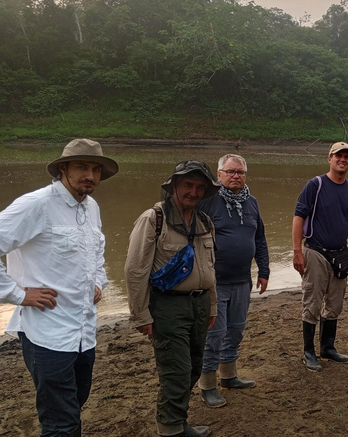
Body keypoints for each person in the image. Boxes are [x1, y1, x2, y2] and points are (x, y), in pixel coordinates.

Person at [0, 139, 118, 437]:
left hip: (83, 332)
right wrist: (18, 294)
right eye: (81, 167)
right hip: (47, 336)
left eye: (95, 169)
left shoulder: (91, 208)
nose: (90, 175)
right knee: (61, 423)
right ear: (62, 169)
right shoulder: (37, 204)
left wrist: (98, 282)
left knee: (74, 405)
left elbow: (97, 255)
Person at [124, 161, 220, 437]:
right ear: (174, 186)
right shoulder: (153, 219)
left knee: (194, 366)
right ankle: (170, 429)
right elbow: (135, 270)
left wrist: (212, 305)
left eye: (200, 187)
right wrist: (141, 315)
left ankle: (178, 421)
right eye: (188, 185)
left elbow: (209, 268)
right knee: (176, 371)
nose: (193, 192)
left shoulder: (205, 222)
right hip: (168, 307)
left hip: (200, 305)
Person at [196, 154, 270, 408]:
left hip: (242, 281)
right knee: (214, 335)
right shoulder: (207, 202)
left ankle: (228, 376)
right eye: (230, 172)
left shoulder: (252, 202)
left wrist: (264, 270)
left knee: (236, 330)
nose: (236, 176)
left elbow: (259, 238)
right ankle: (207, 385)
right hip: (214, 283)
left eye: (240, 172)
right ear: (219, 174)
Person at [292, 141, 348, 372]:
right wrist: (297, 250)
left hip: (340, 254)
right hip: (315, 251)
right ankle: (308, 352)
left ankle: (327, 348)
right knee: (312, 304)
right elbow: (298, 217)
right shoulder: (315, 185)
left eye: (347, 156)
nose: (343, 159)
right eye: (338, 156)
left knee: (334, 305)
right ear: (330, 158)